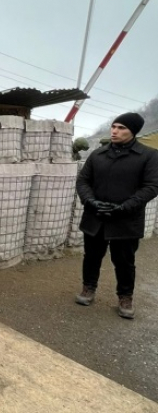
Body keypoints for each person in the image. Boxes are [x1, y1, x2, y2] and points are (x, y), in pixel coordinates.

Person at [75, 112, 158, 319]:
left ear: (133, 131)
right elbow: (83, 181)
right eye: (114, 126)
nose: (115, 131)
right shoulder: (98, 154)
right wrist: (91, 201)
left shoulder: (148, 156)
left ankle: (125, 297)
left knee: (124, 261)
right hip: (96, 216)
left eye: (121, 128)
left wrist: (124, 207)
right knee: (92, 256)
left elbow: (151, 186)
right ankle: (88, 288)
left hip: (126, 220)